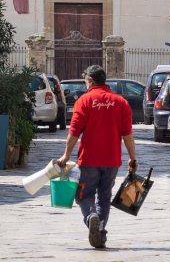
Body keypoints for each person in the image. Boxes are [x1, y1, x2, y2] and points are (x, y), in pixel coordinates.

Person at [57, 64, 137, 249]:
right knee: (104, 197)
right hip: (112, 160)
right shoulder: (121, 102)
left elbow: (74, 133)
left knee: (83, 195)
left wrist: (65, 155)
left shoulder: (84, 101)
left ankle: (90, 216)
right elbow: (128, 136)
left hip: (89, 160)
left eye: (86, 81)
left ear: (91, 81)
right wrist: (132, 159)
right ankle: (100, 231)